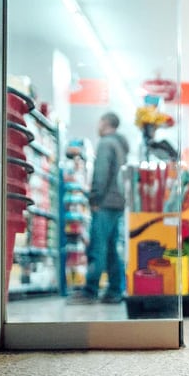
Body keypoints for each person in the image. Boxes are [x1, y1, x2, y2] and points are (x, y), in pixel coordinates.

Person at [68, 112, 129, 304]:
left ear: (105, 123)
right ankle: (114, 291)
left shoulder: (105, 143)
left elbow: (101, 174)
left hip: (105, 202)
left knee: (97, 247)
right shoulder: (120, 145)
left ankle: (90, 291)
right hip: (117, 202)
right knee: (112, 248)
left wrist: (94, 197)